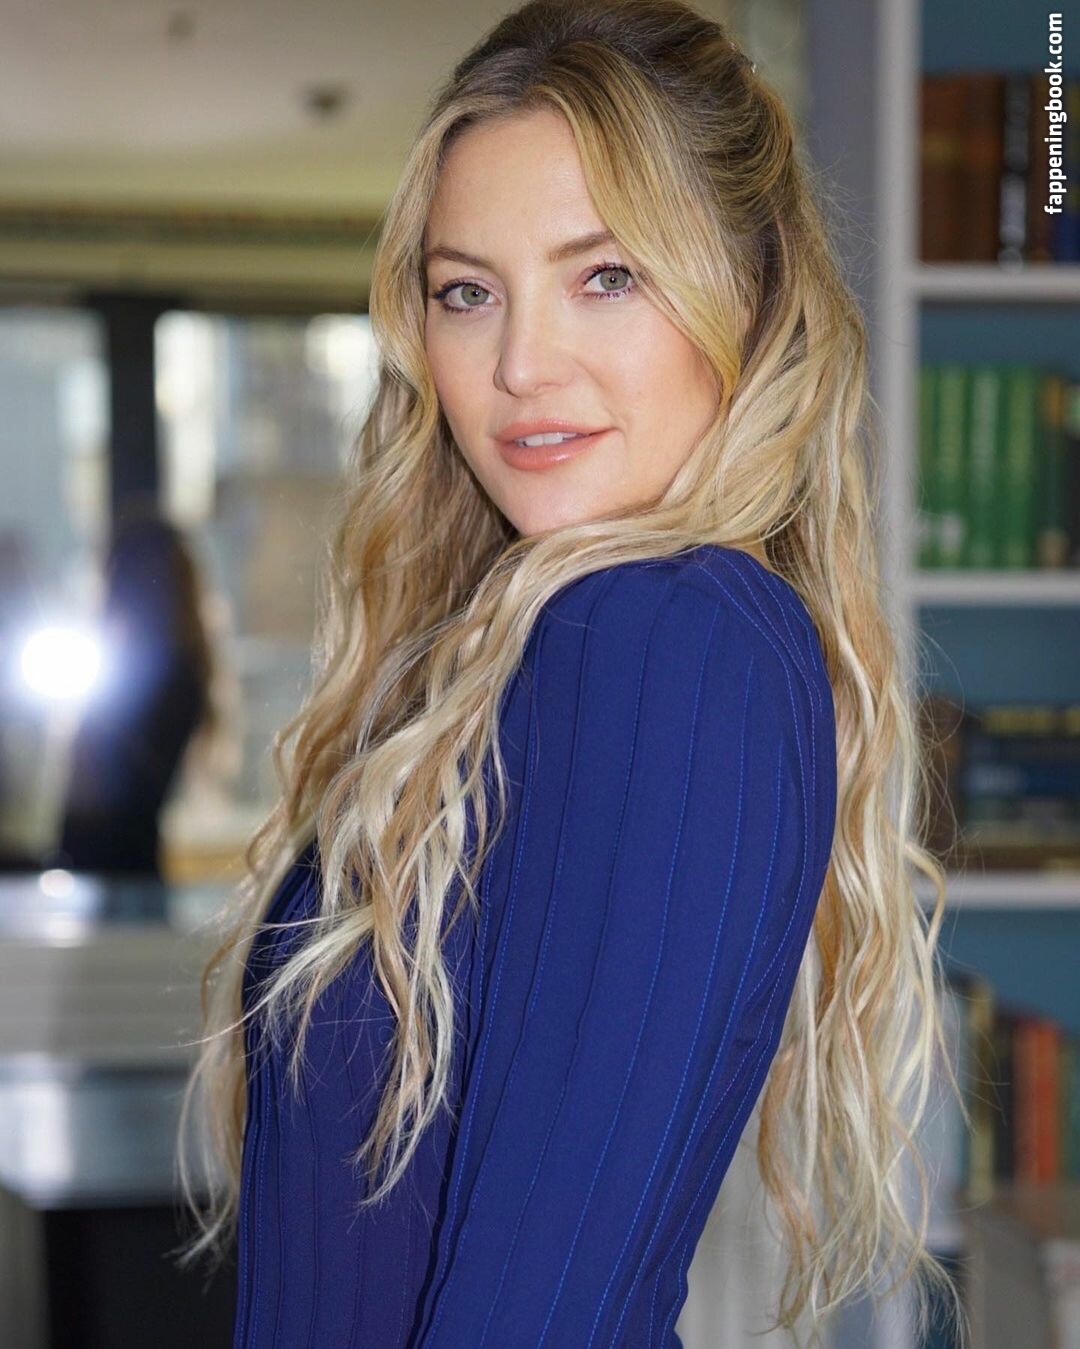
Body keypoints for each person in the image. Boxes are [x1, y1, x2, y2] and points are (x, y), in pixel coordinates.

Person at [175, 2, 966, 1346]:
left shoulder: (668, 642)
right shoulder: (543, 653)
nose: (521, 365)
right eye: (466, 292)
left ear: (748, 290)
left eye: (605, 275)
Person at [49, 501, 216, 880]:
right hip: (118, 866)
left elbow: (116, 796)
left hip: (113, 867)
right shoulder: (172, 669)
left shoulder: (164, 675)